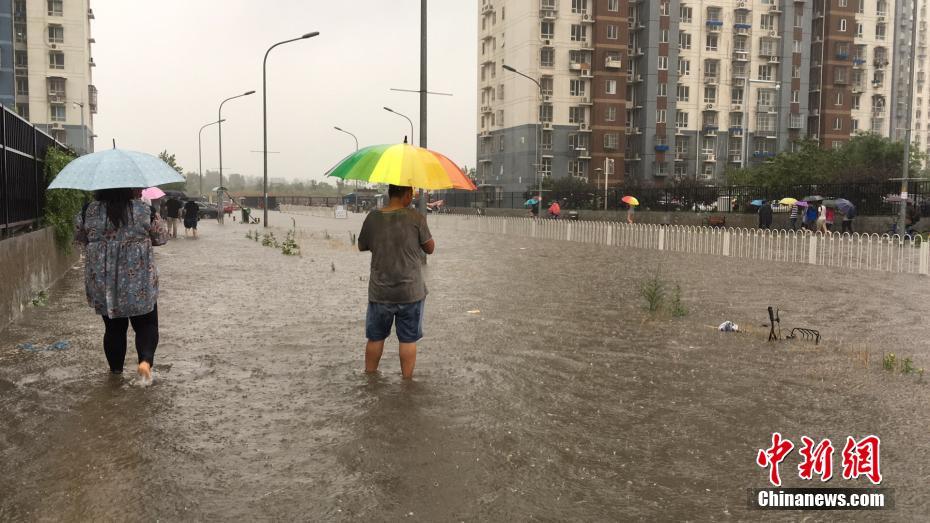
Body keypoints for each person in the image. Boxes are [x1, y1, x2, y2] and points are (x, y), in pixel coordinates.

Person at [74, 188, 168, 384]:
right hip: (139, 282)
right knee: (146, 325)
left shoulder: (87, 211)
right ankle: (145, 362)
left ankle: (116, 374)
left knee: (113, 330)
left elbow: (80, 239)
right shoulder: (145, 210)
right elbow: (161, 238)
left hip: (104, 283)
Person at [357, 184, 434, 380]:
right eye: (411, 194)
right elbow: (430, 248)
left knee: (375, 338)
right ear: (407, 195)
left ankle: (370, 380)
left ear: (389, 193)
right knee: (408, 340)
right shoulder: (416, 217)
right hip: (410, 292)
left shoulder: (373, 217)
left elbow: (362, 245)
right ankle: (407, 384)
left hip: (380, 292)